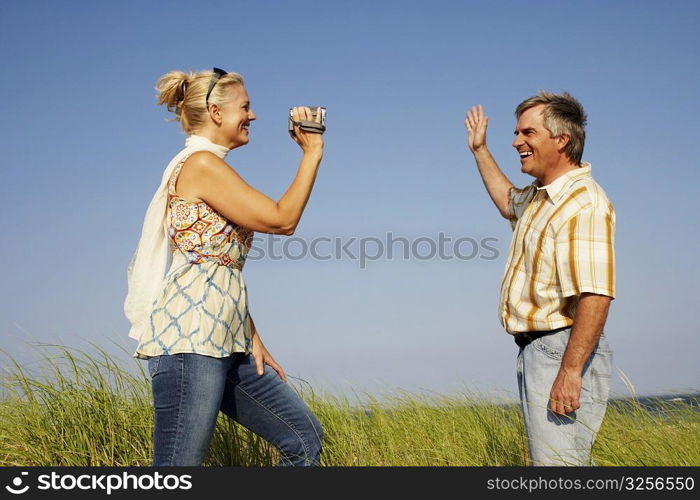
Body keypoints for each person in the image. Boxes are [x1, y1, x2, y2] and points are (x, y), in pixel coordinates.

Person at [124, 68, 324, 466]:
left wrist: (252, 336)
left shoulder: (210, 166)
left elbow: (217, 265)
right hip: (190, 341)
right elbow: (282, 220)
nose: (253, 116)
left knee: (303, 437)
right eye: (246, 107)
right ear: (216, 112)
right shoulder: (200, 164)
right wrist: (312, 152)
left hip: (228, 338)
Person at [465, 92, 615, 466]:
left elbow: (595, 295)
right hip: (538, 351)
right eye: (516, 132)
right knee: (562, 465)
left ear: (561, 140)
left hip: (560, 348)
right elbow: (507, 202)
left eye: (527, 132)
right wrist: (480, 150)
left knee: (558, 468)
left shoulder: (584, 202)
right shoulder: (539, 198)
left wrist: (569, 370)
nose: (516, 141)